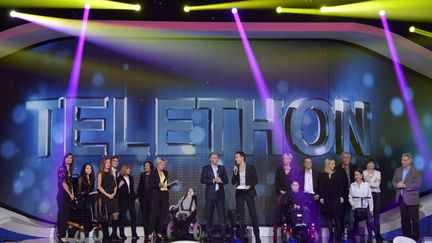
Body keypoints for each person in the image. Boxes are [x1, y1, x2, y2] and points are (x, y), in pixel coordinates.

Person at [232, 151, 261, 243]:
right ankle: (240, 237)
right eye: (235, 157)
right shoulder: (235, 168)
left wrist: (249, 186)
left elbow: (256, 180)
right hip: (239, 193)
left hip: (249, 192)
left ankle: (257, 237)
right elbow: (233, 182)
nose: (235, 159)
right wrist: (235, 173)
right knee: (240, 216)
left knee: (253, 214)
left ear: (242, 158)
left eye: (237, 157)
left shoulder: (250, 167)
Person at [392, 153, 422, 241]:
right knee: (404, 221)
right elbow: (393, 181)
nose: (402, 162)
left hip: (412, 200)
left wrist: (405, 185)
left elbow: (417, 184)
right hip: (401, 200)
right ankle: (406, 239)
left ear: (410, 161)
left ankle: (415, 239)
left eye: (404, 160)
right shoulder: (398, 170)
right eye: (402, 160)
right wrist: (397, 184)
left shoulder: (416, 171)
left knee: (415, 221)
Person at [348, 168, 382, 241]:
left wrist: (371, 209)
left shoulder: (366, 185)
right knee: (352, 221)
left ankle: (378, 237)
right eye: (355, 175)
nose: (356, 176)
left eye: (357, 175)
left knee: (371, 221)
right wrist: (352, 204)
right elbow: (350, 197)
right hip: (355, 208)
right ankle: (350, 238)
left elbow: (370, 198)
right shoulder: (352, 185)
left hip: (364, 208)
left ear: (361, 176)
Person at [200, 152, 228, 237]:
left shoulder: (222, 168)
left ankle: (223, 234)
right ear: (210, 159)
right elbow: (202, 180)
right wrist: (213, 180)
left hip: (220, 195)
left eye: (217, 157)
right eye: (214, 157)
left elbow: (226, 180)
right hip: (210, 195)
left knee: (222, 216)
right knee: (209, 215)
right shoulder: (206, 168)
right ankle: (209, 233)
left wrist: (221, 181)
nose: (216, 159)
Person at [318, 158, 345, 242]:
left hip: (336, 198)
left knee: (337, 217)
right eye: (332, 163)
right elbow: (320, 187)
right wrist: (321, 197)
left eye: (334, 163)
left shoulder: (337, 174)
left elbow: (341, 186)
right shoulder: (322, 175)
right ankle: (331, 233)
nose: (334, 165)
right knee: (328, 217)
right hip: (326, 198)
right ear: (328, 164)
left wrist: (342, 196)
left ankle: (339, 234)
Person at [273, 153, 298, 240]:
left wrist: (289, 192)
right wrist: (281, 191)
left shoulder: (294, 170)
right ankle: (276, 236)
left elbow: (295, 182)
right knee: (279, 214)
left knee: (291, 213)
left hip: (290, 195)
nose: (284, 160)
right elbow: (276, 182)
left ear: (290, 160)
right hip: (280, 194)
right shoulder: (279, 169)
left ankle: (292, 235)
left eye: (286, 158)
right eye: (283, 158)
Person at [97, 157, 120, 241]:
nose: (108, 164)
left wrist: (113, 193)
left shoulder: (112, 173)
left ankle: (114, 234)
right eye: (106, 162)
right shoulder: (100, 173)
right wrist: (107, 194)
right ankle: (106, 235)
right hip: (105, 197)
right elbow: (99, 186)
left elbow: (115, 186)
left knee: (116, 214)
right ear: (103, 164)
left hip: (113, 197)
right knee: (105, 216)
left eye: (109, 163)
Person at [148, 157, 170, 241]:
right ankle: (150, 232)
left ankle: (159, 232)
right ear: (158, 164)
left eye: (165, 165)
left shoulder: (166, 173)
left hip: (164, 195)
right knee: (154, 215)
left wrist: (168, 186)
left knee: (162, 215)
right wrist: (158, 185)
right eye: (163, 164)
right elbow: (151, 185)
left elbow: (165, 184)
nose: (164, 166)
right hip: (157, 195)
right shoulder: (153, 173)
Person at [337, 152, 358, 233]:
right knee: (341, 214)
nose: (346, 159)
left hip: (353, 194)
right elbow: (337, 182)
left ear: (350, 158)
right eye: (344, 157)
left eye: (347, 157)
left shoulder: (355, 167)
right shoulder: (338, 168)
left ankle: (353, 232)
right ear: (342, 159)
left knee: (354, 214)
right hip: (342, 194)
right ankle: (341, 233)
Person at [117, 164, 139, 240]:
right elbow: (116, 192)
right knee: (122, 218)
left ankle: (134, 234)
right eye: (127, 169)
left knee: (133, 217)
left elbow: (132, 190)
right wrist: (119, 186)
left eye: (130, 168)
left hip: (131, 199)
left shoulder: (131, 178)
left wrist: (135, 198)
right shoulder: (119, 178)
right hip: (123, 200)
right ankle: (122, 234)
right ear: (124, 170)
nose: (129, 170)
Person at [56, 153, 75, 243]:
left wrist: (72, 194)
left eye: (71, 158)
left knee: (67, 216)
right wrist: (70, 194)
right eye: (67, 157)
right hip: (63, 194)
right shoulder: (62, 168)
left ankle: (63, 235)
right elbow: (63, 183)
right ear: (64, 159)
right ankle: (61, 236)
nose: (69, 159)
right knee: (62, 216)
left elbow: (70, 184)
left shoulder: (70, 170)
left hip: (68, 195)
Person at [297, 156, 320, 229]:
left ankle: (315, 233)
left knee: (314, 215)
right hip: (303, 196)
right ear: (304, 164)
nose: (308, 163)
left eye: (310, 162)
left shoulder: (317, 174)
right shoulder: (300, 173)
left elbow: (320, 185)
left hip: (314, 197)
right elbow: (298, 186)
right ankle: (304, 234)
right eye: (307, 162)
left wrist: (318, 194)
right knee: (304, 215)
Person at [363, 159, 383, 240]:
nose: (371, 165)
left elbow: (377, 184)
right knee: (368, 215)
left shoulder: (378, 173)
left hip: (376, 195)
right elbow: (365, 185)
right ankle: (370, 235)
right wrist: (370, 183)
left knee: (376, 215)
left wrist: (368, 183)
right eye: (369, 163)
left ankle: (378, 234)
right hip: (367, 195)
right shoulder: (363, 173)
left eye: (372, 163)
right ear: (366, 164)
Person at [137, 160, 153, 241]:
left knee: (151, 217)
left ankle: (151, 233)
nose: (146, 167)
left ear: (150, 166)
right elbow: (140, 187)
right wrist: (137, 197)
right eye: (145, 166)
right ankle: (146, 234)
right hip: (144, 199)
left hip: (152, 199)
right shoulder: (142, 175)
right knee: (145, 218)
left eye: (147, 165)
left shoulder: (154, 174)